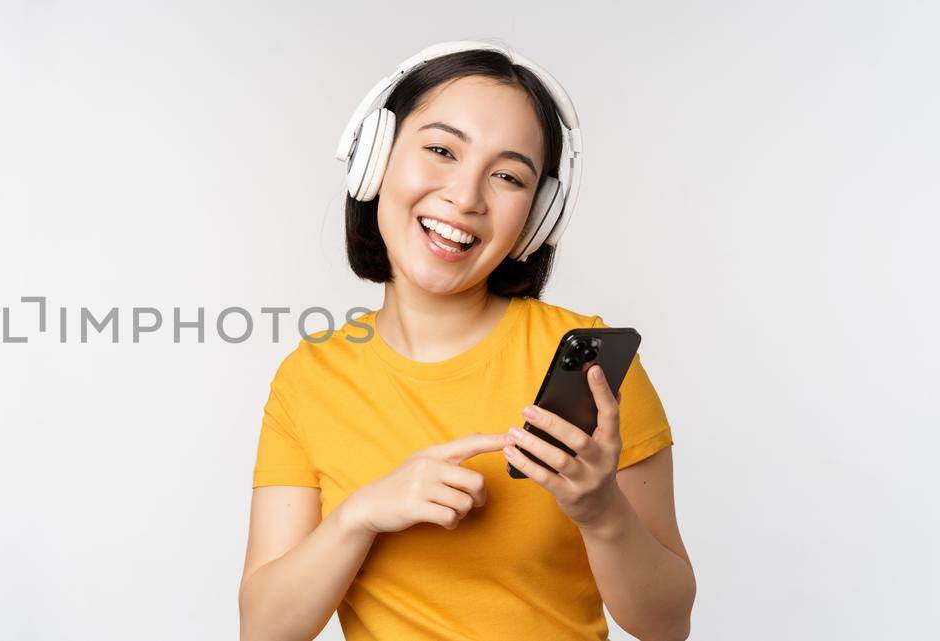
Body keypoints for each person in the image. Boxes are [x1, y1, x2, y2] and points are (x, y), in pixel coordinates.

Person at [237, 42, 696, 641]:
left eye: (507, 176)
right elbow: (264, 631)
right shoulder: (309, 378)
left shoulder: (589, 367)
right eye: (440, 150)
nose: (466, 196)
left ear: (537, 216)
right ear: (373, 161)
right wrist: (361, 516)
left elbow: (667, 625)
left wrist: (602, 513)